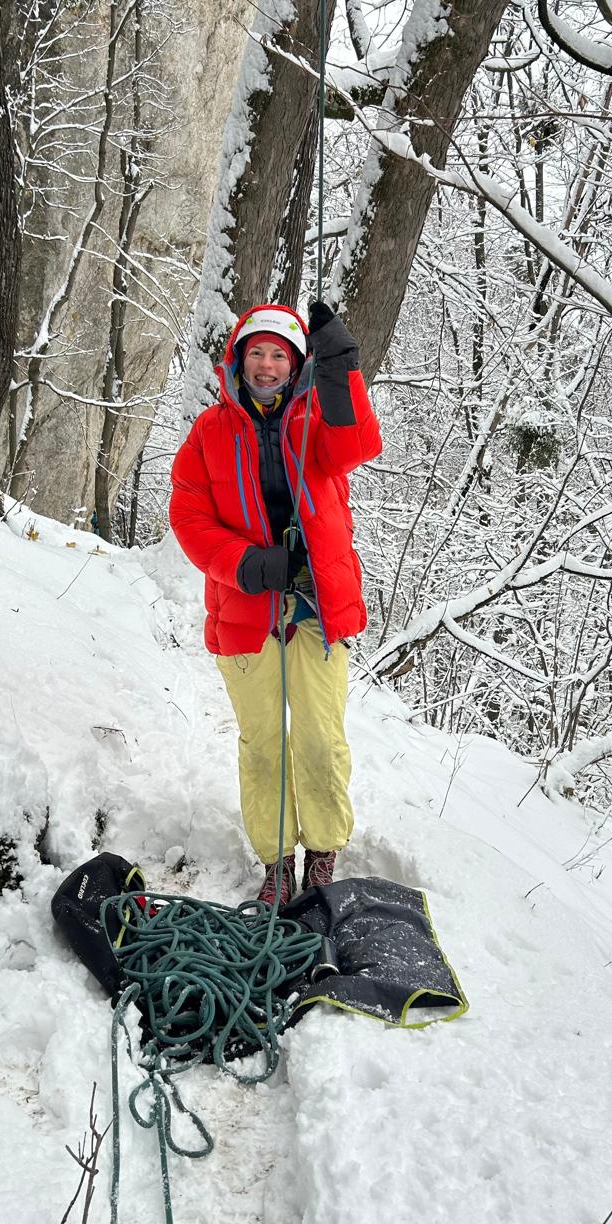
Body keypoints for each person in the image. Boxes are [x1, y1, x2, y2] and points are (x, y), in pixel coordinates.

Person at [169, 300, 382, 905]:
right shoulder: (209, 432)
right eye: (257, 353)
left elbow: (358, 444)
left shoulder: (316, 419)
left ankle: (322, 853)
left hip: (316, 609)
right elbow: (188, 515)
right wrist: (247, 564)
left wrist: (341, 371)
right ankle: (277, 863)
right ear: (239, 360)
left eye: (279, 356)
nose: (266, 365)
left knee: (320, 738)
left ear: (296, 365)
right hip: (245, 609)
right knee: (263, 745)